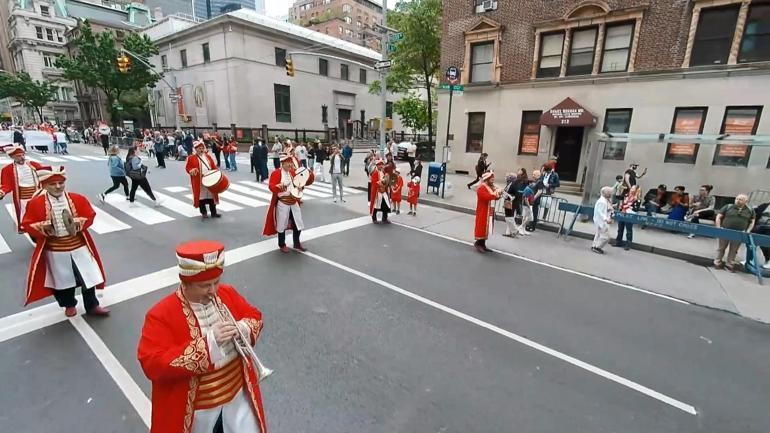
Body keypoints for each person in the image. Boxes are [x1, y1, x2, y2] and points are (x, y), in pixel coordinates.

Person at [137, 240, 267, 433]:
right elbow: (152, 363)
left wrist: (244, 328)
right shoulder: (160, 315)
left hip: (239, 400)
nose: (213, 291)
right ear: (185, 283)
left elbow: (254, 315)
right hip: (198, 413)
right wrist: (208, 344)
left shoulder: (227, 293)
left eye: (216, 282)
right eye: (204, 285)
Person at [20, 166, 110, 317]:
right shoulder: (35, 203)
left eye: (60, 183)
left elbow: (90, 215)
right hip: (55, 250)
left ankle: (92, 306)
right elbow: (27, 224)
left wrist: (77, 223)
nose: (57, 186)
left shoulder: (77, 198)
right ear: (44, 185)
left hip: (79, 246)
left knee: (88, 277)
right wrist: (43, 227)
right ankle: (68, 304)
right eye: (52, 184)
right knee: (62, 282)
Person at [264, 153, 315, 252]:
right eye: (288, 162)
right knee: (281, 224)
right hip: (282, 203)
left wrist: (300, 187)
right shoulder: (276, 173)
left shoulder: (292, 172)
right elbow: (271, 187)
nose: (290, 164)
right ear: (282, 163)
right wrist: (279, 186)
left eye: (290, 162)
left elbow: (298, 184)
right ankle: (282, 244)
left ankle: (297, 243)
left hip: (294, 201)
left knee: (298, 223)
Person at [0, 146, 49, 233]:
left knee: (41, 215)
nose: (22, 157)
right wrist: (2, 192)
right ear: (12, 157)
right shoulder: (7, 169)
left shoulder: (33, 164)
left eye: (23, 155)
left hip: (37, 195)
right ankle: (32, 232)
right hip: (23, 198)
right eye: (18, 156)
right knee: (26, 217)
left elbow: (44, 174)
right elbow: (6, 185)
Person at [714, 194, 755, 272]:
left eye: (740, 199)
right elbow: (718, 216)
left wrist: (748, 231)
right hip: (725, 231)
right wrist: (718, 227)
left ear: (746, 201)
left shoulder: (750, 210)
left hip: (739, 233)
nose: (738, 201)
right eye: (737, 199)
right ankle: (717, 262)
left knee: (734, 249)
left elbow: (752, 221)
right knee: (721, 248)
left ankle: (729, 264)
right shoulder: (728, 206)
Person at [186, 141, 222, 219]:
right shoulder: (191, 158)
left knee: (211, 196)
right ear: (195, 149)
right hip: (199, 181)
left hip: (209, 180)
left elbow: (213, 166)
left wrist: (217, 173)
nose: (201, 150)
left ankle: (213, 213)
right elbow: (188, 168)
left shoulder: (208, 157)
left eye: (202, 148)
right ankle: (204, 213)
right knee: (201, 197)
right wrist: (192, 170)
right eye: (199, 148)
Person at [473, 172, 502, 253]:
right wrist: (496, 194)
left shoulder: (490, 187)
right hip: (483, 210)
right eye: (491, 179)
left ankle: (483, 244)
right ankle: (478, 243)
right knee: (481, 226)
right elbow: (487, 197)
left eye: (493, 179)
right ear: (487, 179)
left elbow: (494, 197)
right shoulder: (481, 188)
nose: (493, 180)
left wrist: (499, 195)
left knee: (487, 227)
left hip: (489, 210)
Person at [614, 185, 640, 251]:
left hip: (629, 214)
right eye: (631, 188)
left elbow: (636, 209)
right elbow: (620, 199)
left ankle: (628, 244)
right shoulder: (626, 195)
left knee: (629, 230)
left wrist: (628, 207)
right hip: (623, 213)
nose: (631, 189)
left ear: (636, 190)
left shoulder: (637, 199)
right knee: (620, 228)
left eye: (633, 188)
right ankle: (618, 242)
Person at [591, 186, 614, 254]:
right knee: (606, 237)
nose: (610, 194)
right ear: (605, 193)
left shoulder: (604, 200)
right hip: (602, 222)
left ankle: (594, 245)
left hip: (600, 221)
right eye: (609, 193)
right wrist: (606, 219)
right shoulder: (602, 202)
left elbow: (603, 210)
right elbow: (600, 212)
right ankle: (598, 247)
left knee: (598, 234)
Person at [751, 202, 770, 270]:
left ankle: (768, 260)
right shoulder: (764, 205)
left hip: (768, 228)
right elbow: (755, 211)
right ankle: (750, 259)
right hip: (758, 227)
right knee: (751, 243)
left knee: (766, 244)